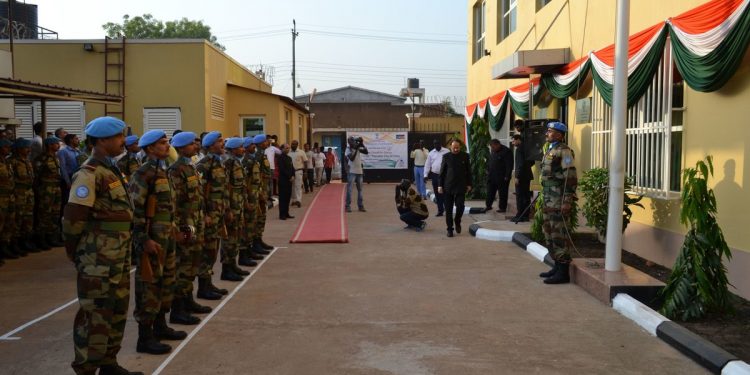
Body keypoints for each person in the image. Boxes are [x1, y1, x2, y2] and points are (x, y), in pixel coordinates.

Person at [62, 116, 143, 375]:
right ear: (102, 140)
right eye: (119, 137)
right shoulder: (89, 174)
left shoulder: (112, 170)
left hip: (117, 257)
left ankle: (109, 363)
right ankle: (86, 368)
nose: (123, 141)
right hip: (97, 259)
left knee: (117, 310)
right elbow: (73, 218)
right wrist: (77, 252)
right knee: (95, 315)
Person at [129, 130, 186, 355]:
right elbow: (136, 211)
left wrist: (177, 231)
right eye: (162, 143)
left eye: (166, 142)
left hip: (167, 236)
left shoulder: (164, 171)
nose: (166, 146)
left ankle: (161, 326)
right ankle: (145, 336)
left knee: (166, 281)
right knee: (149, 287)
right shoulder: (142, 174)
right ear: (150, 148)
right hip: (152, 239)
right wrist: (144, 239)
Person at [167, 131, 213, 326]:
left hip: (196, 220)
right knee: (183, 266)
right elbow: (175, 203)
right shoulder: (176, 170)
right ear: (181, 147)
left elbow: (198, 195)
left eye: (196, 142)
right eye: (192, 143)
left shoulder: (190, 166)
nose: (196, 146)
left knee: (193, 262)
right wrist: (179, 228)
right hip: (186, 223)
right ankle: (178, 310)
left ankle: (188, 301)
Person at [538, 122, 578, 285]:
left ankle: (563, 272)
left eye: (551, 131)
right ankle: (556, 266)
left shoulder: (565, 151)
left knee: (559, 234)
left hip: (558, 198)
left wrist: (567, 200)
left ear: (560, 135)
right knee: (549, 232)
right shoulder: (550, 149)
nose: (547, 133)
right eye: (548, 131)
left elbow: (571, 176)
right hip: (548, 197)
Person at [195, 131, 229, 300]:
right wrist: (206, 213)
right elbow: (200, 193)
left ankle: (208, 283)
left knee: (213, 248)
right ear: (210, 146)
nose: (223, 144)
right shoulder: (204, 165)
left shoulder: (219, 163)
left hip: (219, 210)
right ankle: (203, 287)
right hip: (210, 213)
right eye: (219, 141)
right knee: (207, 249)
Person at [220, 137, 249, 282]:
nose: (243, 149)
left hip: (239, 204)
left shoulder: (237, 162)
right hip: (232, 206)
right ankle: (226, 268)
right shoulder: (228, 163)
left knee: (236, 236)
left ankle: (233, 265)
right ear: (232, 149)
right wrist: (227, 208)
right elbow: (226, 187)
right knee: (229, 238)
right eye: (240, 147)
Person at [34, 136, 65, 247]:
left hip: (56, 188)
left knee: (55, 214)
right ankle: (41, 239)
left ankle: (51, 237)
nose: (58, 145)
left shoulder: (55, 157)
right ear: (50, 145)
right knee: (44, 214)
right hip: (46, 189)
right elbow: (36, 176)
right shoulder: (42, 158)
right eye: (56, 144)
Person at [9, 138, 39, 254]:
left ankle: (25, 241)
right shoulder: (12, 162)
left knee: (28, 217)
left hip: (28, 192)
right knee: (18, 218)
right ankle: (14, 243)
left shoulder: (26, 161)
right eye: (26, 148)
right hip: (18, 193)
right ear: (19, 149)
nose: (29, 150)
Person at [438, 140, 472, 237]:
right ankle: (450, 229)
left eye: (457, 147)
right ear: (450, 148)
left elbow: (469, 171)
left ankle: (457, 220)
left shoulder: (465, 156)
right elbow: (442, 173)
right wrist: (440, 185)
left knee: (460, 206)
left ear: (460, 147)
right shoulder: (446, 157)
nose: (456, 149)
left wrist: (469, 184)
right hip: (448, 187)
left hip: (461, 186)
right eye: (454, 148)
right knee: (448, 209)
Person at [252, 134, 275, 251]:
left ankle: (259, 239)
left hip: (264, 189)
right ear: (261, 143)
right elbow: (257, 176)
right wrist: (261, 192)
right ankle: (255, 242)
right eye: (266, 141)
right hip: (260, 191)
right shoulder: (257, 156)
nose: (268, 142)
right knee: (258, 217)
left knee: (262, 216)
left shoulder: (262, 154)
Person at [0, 138, 19, 263]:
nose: (9, 149)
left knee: (9, 222)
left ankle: (5, 247)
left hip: (9, 196)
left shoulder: (7, 162)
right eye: (6, 147)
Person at [485, 139, 514, 213]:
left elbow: (509, 165)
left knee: (502, 193)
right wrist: (487, 170)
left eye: (493, 147)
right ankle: (488, 206)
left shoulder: (507, 151)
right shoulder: (493, 150)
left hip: (502, 176)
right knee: (490, 192)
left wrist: (507, 176)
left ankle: (502, 208)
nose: (492, 149)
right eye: (491, 147)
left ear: (498, 144)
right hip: (492, 176)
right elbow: (490, 161)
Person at [512, 134, 534, 222]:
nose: (513, 143)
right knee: (526, 196)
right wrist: (526, 169)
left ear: (518, 140)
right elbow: (532, 162)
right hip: (527, 176)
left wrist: (517, 176)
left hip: (521, 177)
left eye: (513, 141)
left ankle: (520, 215)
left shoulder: (519, 149)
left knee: (520, 196)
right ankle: (525, 215)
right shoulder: (527, 147)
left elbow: (520, 164)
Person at [424, 139, 449, 216]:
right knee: (437, 193)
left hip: (445, 175)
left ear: (440, 144)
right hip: (435, 175)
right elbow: (427, 165)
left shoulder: (447, 151)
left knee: (446, 193)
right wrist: (425, 175)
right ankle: (440, 210)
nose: (436, 145)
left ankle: (448, 210)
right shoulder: (431, 153)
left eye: (437, 143)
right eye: (434, 144)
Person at [345, 136, 368, 212]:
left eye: (354, 141)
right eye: (351, 141)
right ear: (349, 142)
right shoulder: (348, 149)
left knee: (360, 190)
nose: (353, 142)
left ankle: (360, 206)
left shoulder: (357, 147)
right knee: (350, 190)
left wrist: (362, 144)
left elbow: (366, 152)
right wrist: (357, 148)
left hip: (359, 171)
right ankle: (347, 206)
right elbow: (352, 158)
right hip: (352, 171)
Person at [59, 134, 82, 203]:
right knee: (67, 200)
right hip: (69, 178)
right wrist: (68, 182)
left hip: (78, 178)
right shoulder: (63, 151)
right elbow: (63, 167)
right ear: (71, 140)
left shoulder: (78, 151)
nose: (78, 140)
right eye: (76, 139)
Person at [277, 143, 295, 220]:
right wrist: (289, 176)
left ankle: (287, 213)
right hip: (283, 180)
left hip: (289, 181)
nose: (288, 149)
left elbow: (292, 168)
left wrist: (293, 175)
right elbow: (282, 169)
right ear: (282, 149)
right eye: (286, 148)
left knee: (288, 197)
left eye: (288, 148)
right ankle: (282, 214)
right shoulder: (280, 158)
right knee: (283, 198)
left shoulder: (289, 158)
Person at [288, 140, 307, 207]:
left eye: (294, 144)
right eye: (292, 144)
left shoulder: (301, 152)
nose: (293, 145)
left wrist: (305, 172)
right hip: (290, 172)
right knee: (292, 187)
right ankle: (293, 200)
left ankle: (298, 200)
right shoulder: (288, 152)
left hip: (298, 171)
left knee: (298, 186)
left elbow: (305, 162)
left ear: (297, 145)